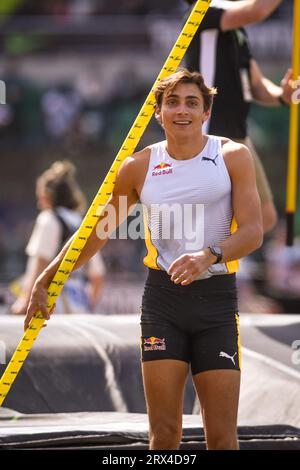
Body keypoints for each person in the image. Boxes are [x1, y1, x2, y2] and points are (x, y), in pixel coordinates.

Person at [24, 69, 263, 450]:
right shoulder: (137, 166)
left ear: (206, 112)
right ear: (158, 112)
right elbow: (96, 231)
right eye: (172, 102)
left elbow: (253, 232)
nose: (181, 110)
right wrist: (48, 276)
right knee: (164, 436)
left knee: (220, 436)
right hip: (163, 303)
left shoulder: (232, 156)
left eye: (191, 102)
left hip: (216, 302)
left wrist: (209, 255)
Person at [184, 0, 296, 233]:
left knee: (264, 217)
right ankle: (210, 260)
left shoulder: (236, 29)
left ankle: (218, 259)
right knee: (222, 219)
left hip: (237, 133)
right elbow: (258, 10)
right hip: (211, 134)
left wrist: (282, 95)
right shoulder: (204, 12)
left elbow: (255, 84)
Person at [11, 160, 106, 315]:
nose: (38, 203)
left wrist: (24, 302)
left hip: (52, 309)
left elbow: (40, 265)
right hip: (80, 309)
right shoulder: (82, 222)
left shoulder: (48, 219)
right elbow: (97, 276)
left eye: (40, 196)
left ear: (48, 196)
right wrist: (86, 306)